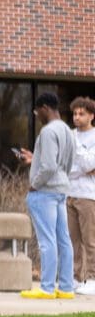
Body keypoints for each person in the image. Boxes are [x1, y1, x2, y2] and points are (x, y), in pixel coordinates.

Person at [20, 92, 75, 299]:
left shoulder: (48, 131)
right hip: (61, 189)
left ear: (44, 107)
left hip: (45, 192)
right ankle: (66, 287)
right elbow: (67, 164)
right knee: (63, 239)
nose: (37, 115)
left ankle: (47, 287)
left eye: (37, 111)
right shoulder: (68, 131)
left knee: (47, 240)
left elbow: (49, 165)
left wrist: (35, 184)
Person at [67, 97, 95, 296]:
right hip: (69, 193)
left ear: (91, 115)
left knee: (90, 240)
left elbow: (88, 165)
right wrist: (82, 166)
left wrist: (81, 162)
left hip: (88, 195)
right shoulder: (69, 135)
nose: (77, 117)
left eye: (81, 113)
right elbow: (67, 167)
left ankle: (92, 278)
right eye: (75, 113)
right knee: (72, 240)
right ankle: (77, 278)